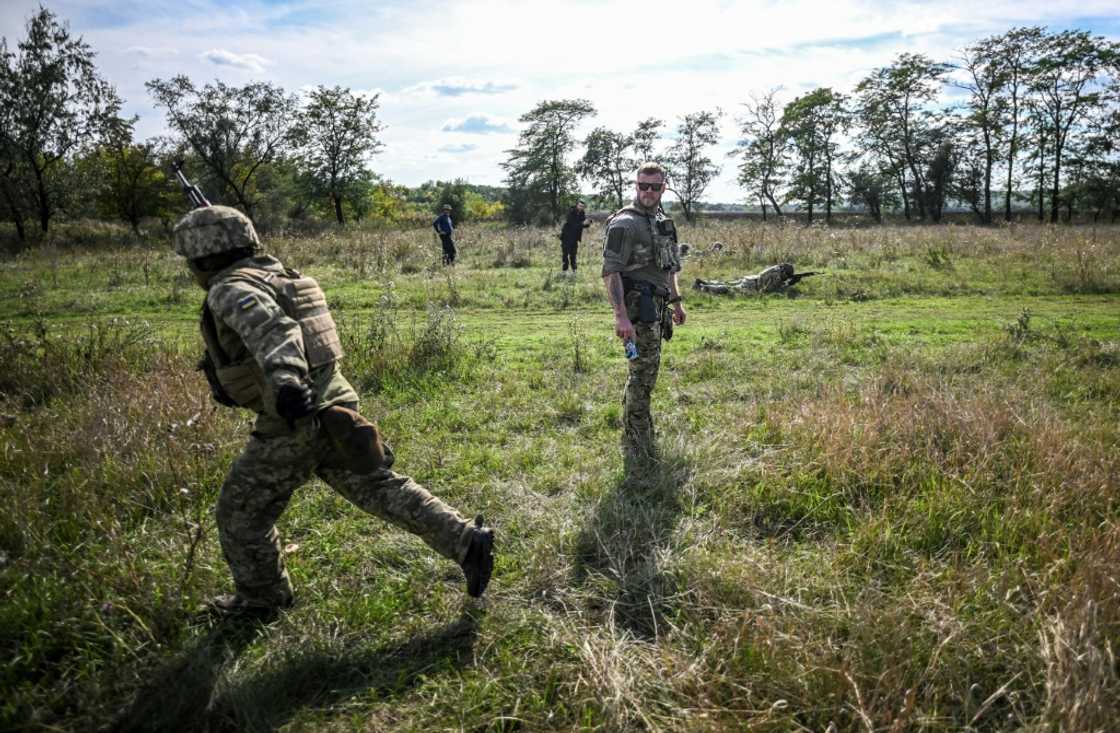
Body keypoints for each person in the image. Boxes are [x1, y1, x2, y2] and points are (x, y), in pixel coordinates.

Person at [173, 204, 494, 615]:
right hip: (336, 408)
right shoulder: (282, 276)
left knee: (241, 515)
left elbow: (277, 333)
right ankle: (467, 541)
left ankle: (262, 599)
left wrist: (287, 381)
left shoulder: (231, 288)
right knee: (380, 489)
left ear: (200, 257)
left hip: (294, 420)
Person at [601, 163, 686, 468]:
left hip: (658, 308)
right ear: (635, 186)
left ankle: (638, 428)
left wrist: (676, 302)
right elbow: (610, 272)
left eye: (654, 186)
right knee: (641, 375)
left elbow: (670, 267)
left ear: (664, 188)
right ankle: (637, 440)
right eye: (642, 186)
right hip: (636, 311)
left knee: (645, 373)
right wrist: (621, 317)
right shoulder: (625, 224)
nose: (648, 192)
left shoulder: (664, 221)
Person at [559, 200, 592, 273]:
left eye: (582, 206)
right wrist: (582, 223)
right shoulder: (571, 212)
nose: (581, 207)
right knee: (565, 254)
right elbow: (572, 224)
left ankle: (574, 270)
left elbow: (583, 225)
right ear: (576, 205)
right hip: (566, 236)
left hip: (575, 237)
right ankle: (565, 271)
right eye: (580, 206)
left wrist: (588, 223)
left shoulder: (582, 213)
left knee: (573, 254)